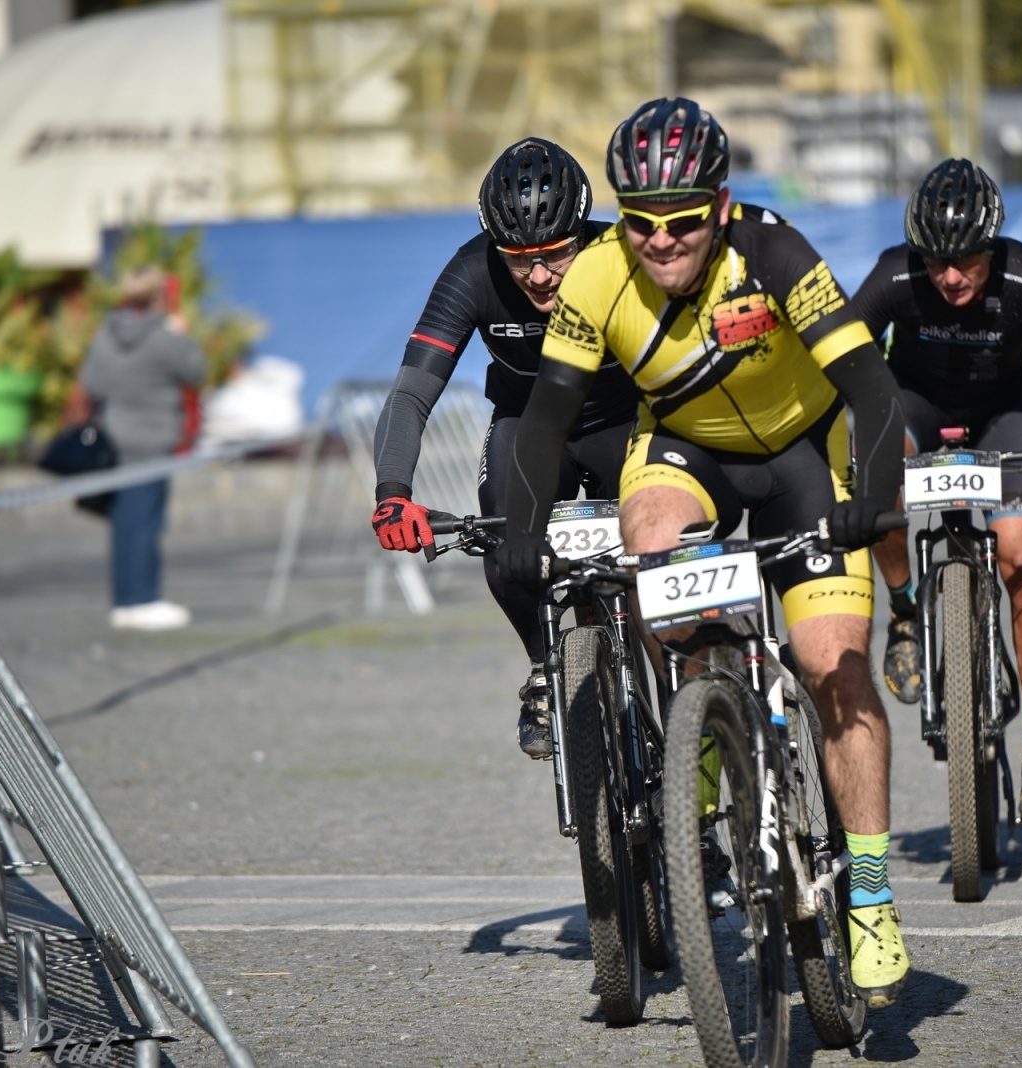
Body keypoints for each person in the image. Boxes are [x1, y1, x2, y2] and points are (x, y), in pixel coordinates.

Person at [496, 97, 912, 1008]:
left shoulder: (774, 252)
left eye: (684, 220)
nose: (662, 240)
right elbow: (543, 424)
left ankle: (872, 898)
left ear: (718, 208)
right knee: (645, 537)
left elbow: (874, 395)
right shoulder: (597, 276)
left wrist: (871, 507)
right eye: (642, 222)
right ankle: (705, 715)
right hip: (690, 452)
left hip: (806, 454)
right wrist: (523, 531)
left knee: (831, 665)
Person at [851, 159, 1022, 826]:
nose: (951, 277)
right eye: (937, 262)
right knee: (874, 474)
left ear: (994, 247)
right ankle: (902, 612)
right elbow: (835, 357)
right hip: (914, 404)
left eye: (968, 261)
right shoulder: (896, 274)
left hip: (1004, 411)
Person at [369, 138, 639, 761]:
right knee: (502, 543)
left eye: (556, 255)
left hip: (621, 420)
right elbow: (410, 394)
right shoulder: (472, 271)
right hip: (525, 420)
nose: (539, 275)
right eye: (521, 260)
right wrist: (392, 495)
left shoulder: (620, 254)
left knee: (648, 560)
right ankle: (546, 667)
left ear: (581, 232)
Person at [80, 266, 207, 631]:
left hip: (115, 438)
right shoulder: (165, 336)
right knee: (146, 523)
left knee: (124, 523)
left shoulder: (105, 333)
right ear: (158, 297)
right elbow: (195, 371)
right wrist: (182, 336)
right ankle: (143, 600)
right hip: (154, 440)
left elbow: (93, 383)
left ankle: (124, 600)